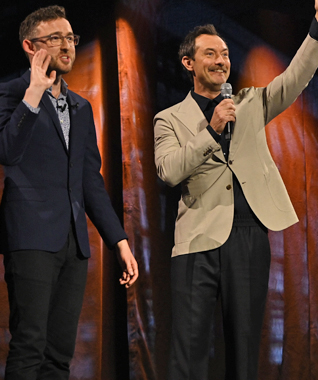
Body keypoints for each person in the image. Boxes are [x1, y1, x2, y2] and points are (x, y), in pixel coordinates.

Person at [152, 1, 318, 378]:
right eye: (210, 53)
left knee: (244, 345)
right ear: (189, 63)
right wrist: (211, 131)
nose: (221, 60)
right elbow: (168, 172)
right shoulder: (168, 118)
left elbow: (296, 77)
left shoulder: (250, 102)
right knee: (187, 349)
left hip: (249, 235)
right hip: (197, 241)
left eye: (224, 54)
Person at [0, 5, 139, 380]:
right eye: (55, 38)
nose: (67, 45)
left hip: (74, 244)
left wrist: (119, 241)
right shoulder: (10, 94)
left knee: (60, 354)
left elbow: (89, 180)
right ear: (31, 46)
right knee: (29, 345)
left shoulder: (80, 106)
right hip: (30, 237)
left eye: (70, 37)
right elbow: (7, 152)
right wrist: (33, 94)